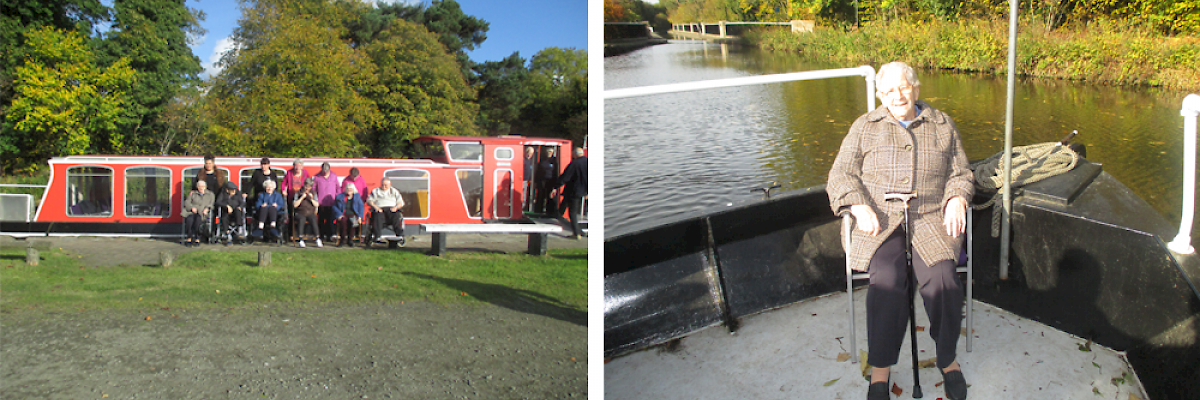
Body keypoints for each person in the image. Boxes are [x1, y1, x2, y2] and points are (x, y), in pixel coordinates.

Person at [826, 62, 972, 400]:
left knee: (944, 281)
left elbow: (962, 172)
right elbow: (841, 174)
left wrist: (956, 198)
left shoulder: (942, 124)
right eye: (889, 91)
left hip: (931, 217)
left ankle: (947, 359)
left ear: (916, 88)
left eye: (903, 87)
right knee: (887, 282)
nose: (897, 95)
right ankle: (880, 369)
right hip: (880, 219)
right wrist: (857, 205)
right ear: (880, 96)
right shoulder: (865, 126)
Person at [557, 147, 588, 239]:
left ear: (575, 154)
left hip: (573, 191)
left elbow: (566, 176)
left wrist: (556, 186)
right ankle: (558, 214)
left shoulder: (574, 163)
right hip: (583, 190)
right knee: (565, 201)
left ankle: (576, 233)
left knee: (572, 212)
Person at [368, 177, 404, 243]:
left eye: (386, 185)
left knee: (396, 216)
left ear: (390, 184)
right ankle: (377, 236)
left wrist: (396, 207)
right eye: (382, 185)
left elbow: (401, 202)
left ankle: (399, 235)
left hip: (391, 209)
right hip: (380, 209)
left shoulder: (394, 191)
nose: (384, 187)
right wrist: (375, 207)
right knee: (377, 215)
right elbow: (369, 201)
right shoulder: (376, 191)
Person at [181, 180, 215, 247]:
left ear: (205, 187)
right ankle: (189, 238)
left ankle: (197, 238)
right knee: (189, 220)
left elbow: (211, 204)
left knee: (198, 221)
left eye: (202, 186)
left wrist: (207, 209)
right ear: (197, 187)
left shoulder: (210, 194)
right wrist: (191, 207)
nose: (201, 188)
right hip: (192, 212)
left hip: (202, 212)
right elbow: (187, 202)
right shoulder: (193, 194)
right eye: (199, 186)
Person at [313, 162, 340, 243]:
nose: (325, 173)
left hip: (331, 202)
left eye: (326, 171)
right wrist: (315, 198)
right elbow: (314, 188)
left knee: (330, 220)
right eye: (324, 171)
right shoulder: (317, 177)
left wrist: (337, 197)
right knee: (320, 220)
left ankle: (329, 236)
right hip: (320, 202)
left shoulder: (334, 176)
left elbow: (338, 187)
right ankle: (321, 236)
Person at [215, 181, 247, 246]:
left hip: (236, 211)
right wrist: (226, 206)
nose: (234, 191)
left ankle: (240, 231)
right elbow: (218, 202)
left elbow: (242, 202)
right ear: (227, 190)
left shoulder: (238, 193)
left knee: (238, 212)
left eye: (234, 190)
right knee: (224, 217)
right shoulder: (223, 194)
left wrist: (240, 207)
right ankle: (228, 235)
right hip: (226, 212)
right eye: (232, 190)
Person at [292, 178, 322, 248]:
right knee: (301, 219)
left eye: (309, 187)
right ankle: (301, 239)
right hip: (300, 212)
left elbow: (317, 204)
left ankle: (317, 238)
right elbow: (295, 205)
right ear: (304, 185)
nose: (307, 188)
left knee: (313, 219)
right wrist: (302, 198)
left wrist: (311, 199)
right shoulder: (298, 192)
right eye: (306, 186)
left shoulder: (313, 193)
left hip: (310, 212)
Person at [534, 147, 558, 215]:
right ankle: (538, 211)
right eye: (547, 152)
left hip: (551, 181)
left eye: (550, 152)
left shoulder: (554, 161)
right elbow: (538, 171)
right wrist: (536, 181)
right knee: (540, 195)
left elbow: (556, 172)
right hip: (542, 180)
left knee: (549, 196)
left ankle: (549, 211)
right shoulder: (542, 160)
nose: (549, 153)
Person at [523, 146, 536, 212]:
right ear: (525, 152)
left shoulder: (530, 161)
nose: (529, 155)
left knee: (525, 195)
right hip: (522, 180)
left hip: (527, 181)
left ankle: (523, 207)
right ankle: (521, 208)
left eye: (531, 154)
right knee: (522, 195)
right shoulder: (523, 160)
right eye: (528, 153)